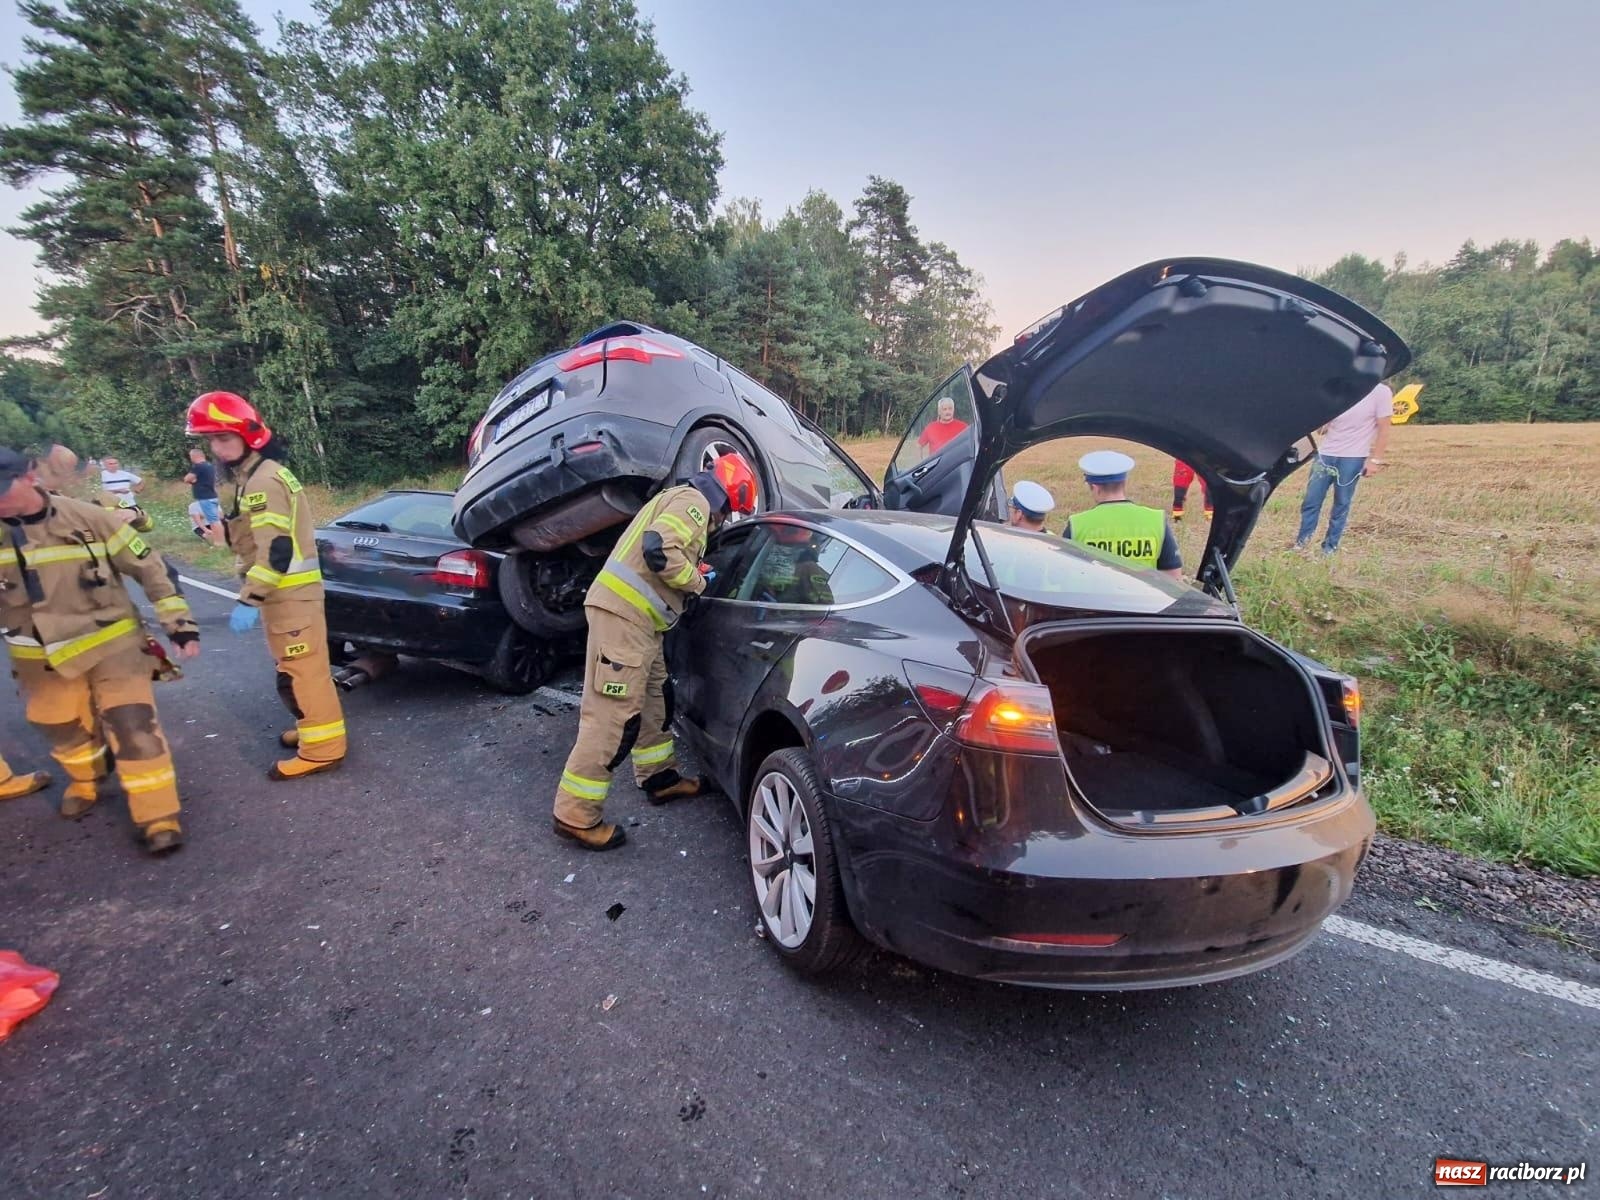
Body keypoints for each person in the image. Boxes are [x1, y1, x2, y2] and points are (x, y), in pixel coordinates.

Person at [552, 451, 759, 850]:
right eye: (728, 514)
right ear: (732, 495)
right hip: (624, 618)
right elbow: (659, 550)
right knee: (613, 717)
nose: (721, 523)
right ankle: (575, 814)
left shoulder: (682, 498)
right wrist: (698, 582)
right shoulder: (695, 503)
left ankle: (659, 779)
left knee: (654, 702)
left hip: (641, 624)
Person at [0, 446, 199, 853]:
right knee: (57, 724)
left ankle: (158, 817)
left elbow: (150, 568)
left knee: (134, 727)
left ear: (30, 478)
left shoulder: (89, 517)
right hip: (39, 657)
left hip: (112, 644)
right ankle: (87, 777)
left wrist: (180, 626)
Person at [183, 391, 347, 779]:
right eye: (211, 441)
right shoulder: (256, 475)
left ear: (249, 435)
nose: (217, 449)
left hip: (287, 594)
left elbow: (276, 552)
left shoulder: (262, 481)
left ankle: (323, 748)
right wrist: (225, 538)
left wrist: (247, 599)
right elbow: (260, 538)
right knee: (296, 668)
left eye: (223, 438)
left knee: (303, 672)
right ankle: (313, 729)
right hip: (286, 596)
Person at [1293, 382, 1393, 555]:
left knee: (1341, 503)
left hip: (1353, 457)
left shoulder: (1380, 392)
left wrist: (1375, 460)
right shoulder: (1341, 388)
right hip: (1325, 454)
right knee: (1311, 501)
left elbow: (1384, 428)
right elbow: (1321, 431)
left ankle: (1329, 548)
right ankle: (1302, 544)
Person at [1063, 450, 1182, 580]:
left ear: (1095, 488)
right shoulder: (1156, 519)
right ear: (1124, 483)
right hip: (1142, 598)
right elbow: (1174, 577)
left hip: (1095, 599)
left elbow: (1066, 575)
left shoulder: (1077, 524)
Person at [183, 446, 221, 532]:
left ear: (194, 456)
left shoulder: (199, 466)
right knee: (214, 519)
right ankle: (218, 537)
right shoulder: (209, 465)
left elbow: (187, 479)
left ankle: (218, 539)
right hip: (211, 494)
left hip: (205, 497)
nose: (190, 458)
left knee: (213, 521)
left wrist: (192, 481)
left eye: (190, 456)